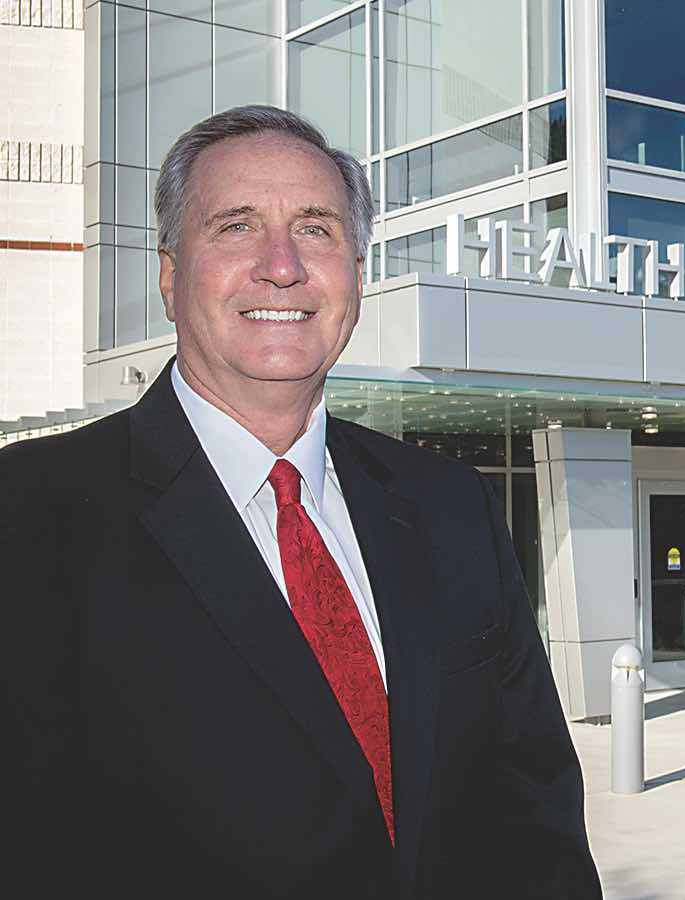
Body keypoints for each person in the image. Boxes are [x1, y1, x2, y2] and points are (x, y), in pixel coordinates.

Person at [0, 105, 602, 898]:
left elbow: (536, 804)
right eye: (236, 226)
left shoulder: (450, 503)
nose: (281, 265)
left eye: (316, 228)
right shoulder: (31, 516)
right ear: (171, 275)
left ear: (357, 269)